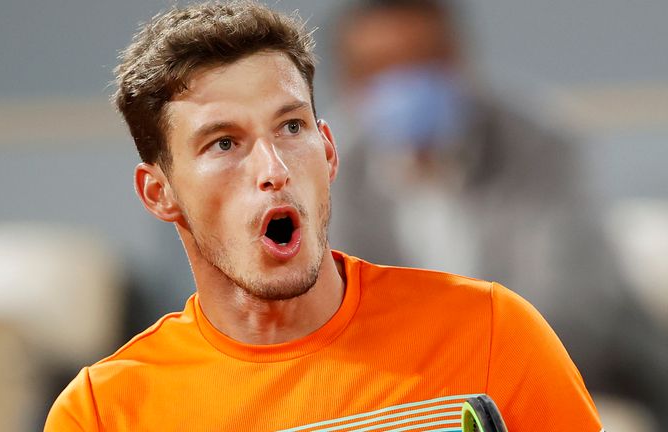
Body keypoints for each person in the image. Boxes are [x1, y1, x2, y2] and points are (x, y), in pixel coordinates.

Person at [45, 1, 602, 430]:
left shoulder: (490, 331)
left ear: (329, 150)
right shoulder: (103, 412)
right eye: (223, 143)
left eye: (291, 128)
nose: (273, 168)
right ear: (158, 193)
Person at [329, 1, 668, 427]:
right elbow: (345, 318)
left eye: (424, 61)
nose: (406, 83)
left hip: (583, 375)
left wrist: (451, 379)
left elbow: (568, 309)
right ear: (350, 84)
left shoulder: (540, 144)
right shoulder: (332, 170)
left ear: (458, 61)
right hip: (410, 399)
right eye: (381, 68)